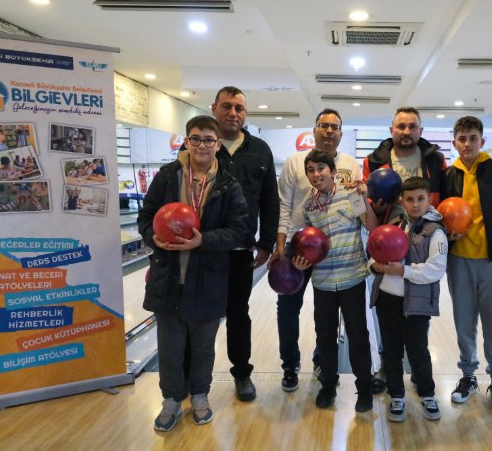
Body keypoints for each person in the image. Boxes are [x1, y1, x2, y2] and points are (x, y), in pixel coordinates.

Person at [137, 115, 249, 432]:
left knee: (202, 347)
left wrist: (204, 241)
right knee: (169, 347)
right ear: (187, 142)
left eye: (208, 140)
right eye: (196, 139)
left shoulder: (228, 184)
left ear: (218, 144)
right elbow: (145, 217)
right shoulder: (167, 176)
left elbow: (240, 230)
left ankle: (200, 396)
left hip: (208, 278)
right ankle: (171, 401)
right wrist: (153, 237)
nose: (202, 145)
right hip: (168, 276)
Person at [270, 109, 361, 392]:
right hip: (295, 245)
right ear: (315, 130)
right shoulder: (295, 162)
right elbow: (284, 204)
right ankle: (290, 365)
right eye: (324, 125)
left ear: (341, 133)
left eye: (335, 127)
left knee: (327, 312)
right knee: (288, 308)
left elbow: (358, 204)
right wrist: (280, 244)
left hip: (331, 249)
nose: (329, 131)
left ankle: (323, 361)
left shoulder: (349, 163)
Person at [440, 116, 492, 411]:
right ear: (454, 143)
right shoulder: (449, 175)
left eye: (473, 138)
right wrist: (446, 235)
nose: (467, 144)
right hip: (459, 260)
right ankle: (468, 376)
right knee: (464, 322)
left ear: (482, 141)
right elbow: (439, 216)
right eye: (462, 139)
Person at [291, 150, 378, 412]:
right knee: (325, 338)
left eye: (321, 168)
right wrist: (301, 262)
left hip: (352, 278)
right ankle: (328, 387)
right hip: (323, 282)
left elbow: (372, 227)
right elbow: (307, 246)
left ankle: (364, 389)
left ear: (332, 171)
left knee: (358, 336)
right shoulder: (308, 206)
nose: (316, 174)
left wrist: (365, 198)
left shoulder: (351, 194)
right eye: (310, 170)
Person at [210, 86, 280, 402]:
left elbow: (270, 201)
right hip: (204, 249)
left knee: (239, 313)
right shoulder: (202, 144)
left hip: (241, 249)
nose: (233, 113)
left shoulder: (260, 149)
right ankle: (191, 374)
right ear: (214, 108)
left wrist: (266, 243)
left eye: (239, 108)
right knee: (199, 314)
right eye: (227, 106)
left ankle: (242, 373)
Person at [370, 176, 447, 422]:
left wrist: (403, 271)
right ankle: (396, 395)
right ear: (402, 201)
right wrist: (373, 266)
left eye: (420, 199)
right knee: (391, 351)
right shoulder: (394, 223)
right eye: (410, 199)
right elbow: (375, 250)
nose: (415, 204)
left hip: (416, 303)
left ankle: (427, 394)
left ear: (429, 200)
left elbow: (436, 269)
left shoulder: (436, 232)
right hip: (387, 299)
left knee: (418, 350)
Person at [363, 106, 447, 214]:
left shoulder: (436, 160)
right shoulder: (373, 162)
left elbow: (446, 199)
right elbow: (367, 200)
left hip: (428, 223)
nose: (406, 132)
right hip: (389, 223)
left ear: (420, 131)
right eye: (401, 126)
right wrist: (375, 209)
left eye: (412, 126)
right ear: (391, 130)